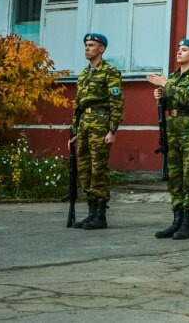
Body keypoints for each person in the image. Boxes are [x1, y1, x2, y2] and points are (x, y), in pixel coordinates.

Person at [147, 38, 189, 240]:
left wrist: (165, 84)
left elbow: (188, 99)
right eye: (178, 49)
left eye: (184, 50)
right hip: (172, 128)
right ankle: (176, 220)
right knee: (174, 176)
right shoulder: (174, 77)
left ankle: (186, 224)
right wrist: (160, 95)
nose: (179, 52)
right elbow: (170, 100)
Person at [68, 33, 123, 230]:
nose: (87, 48)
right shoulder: (84, 74)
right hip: (84, 125)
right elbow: (78, 105)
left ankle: (100, 215)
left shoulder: (110, 72)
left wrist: (112, 129)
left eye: (91, 45)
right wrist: (75, 131)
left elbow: (116, 102)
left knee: (98, 168)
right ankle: (91, 213)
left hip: (100, 122)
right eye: (86, 45)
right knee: (84, 169)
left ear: (101, 49)